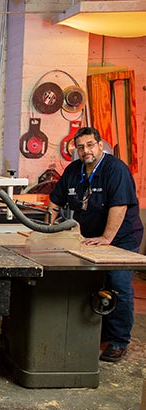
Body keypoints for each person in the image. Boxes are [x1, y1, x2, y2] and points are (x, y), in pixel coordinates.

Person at [49, 127, 143, 362]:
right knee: (90, 282)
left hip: (120, 238)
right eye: (80, 147)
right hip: (89, 238)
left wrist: (107, 239)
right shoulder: (73, 170)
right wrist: (48, 230)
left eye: (90, 145)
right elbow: (54, 202)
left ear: (100, 145)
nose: (85, 151)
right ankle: (98, 331)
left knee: (117, 283)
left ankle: (119, 341)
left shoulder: (115, 169)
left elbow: (119, 206)